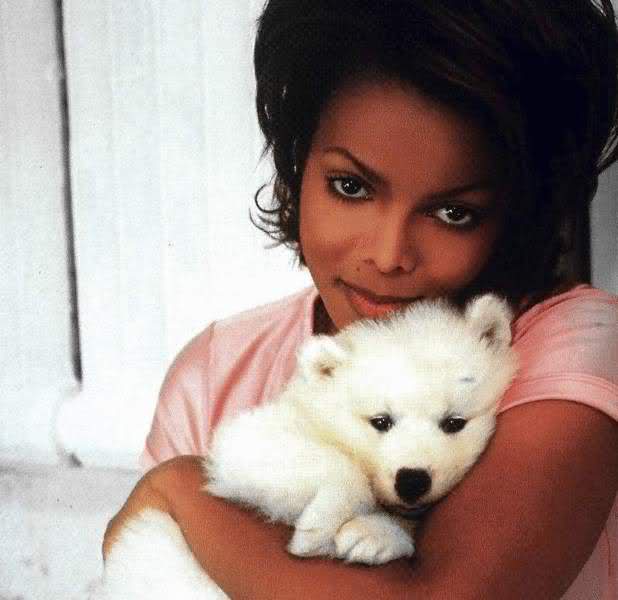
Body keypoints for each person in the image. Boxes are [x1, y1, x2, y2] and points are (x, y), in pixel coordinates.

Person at [103, 1, 618, 598]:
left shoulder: (573, 347)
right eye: (351, 187)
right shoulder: (219, 368)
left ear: (518, 214)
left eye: (454, 213)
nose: (389, 254)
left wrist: (180, 491)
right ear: (297, 165)